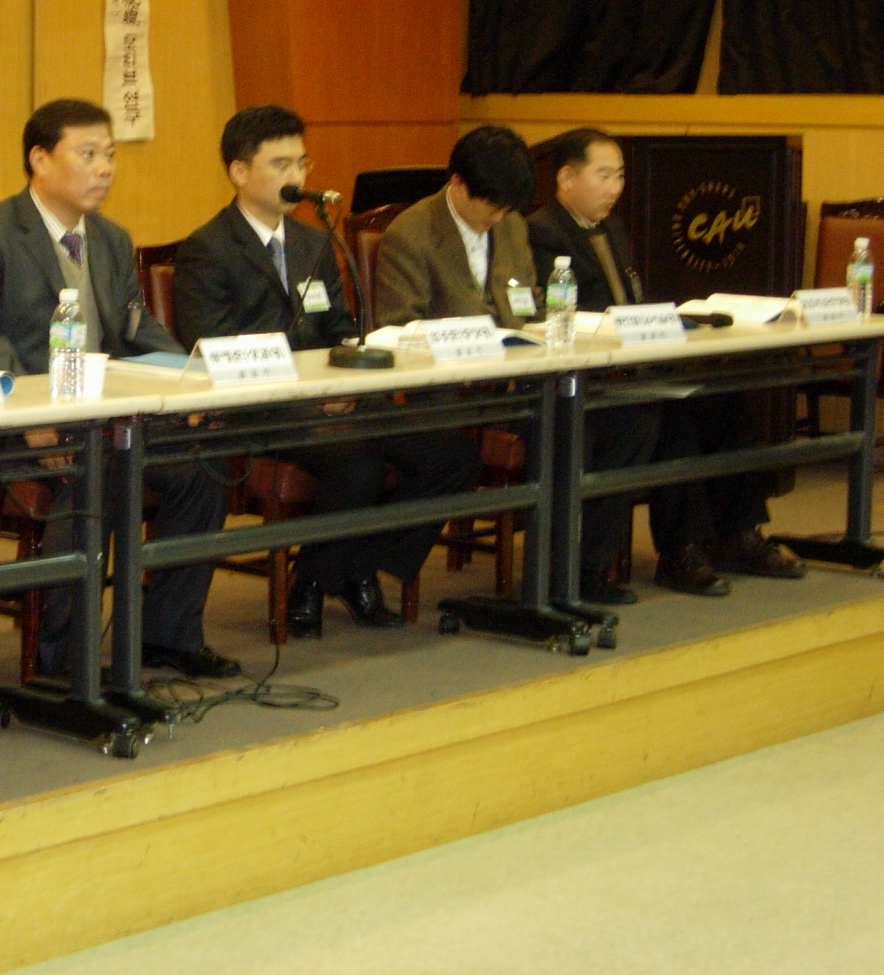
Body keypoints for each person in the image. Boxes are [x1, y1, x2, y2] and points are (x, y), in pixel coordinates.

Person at [0, 98, 237, 679]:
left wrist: (192, 379)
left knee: (205, 468)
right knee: (93, 478)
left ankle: (168, 635)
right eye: (87, 154)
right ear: (40, 159)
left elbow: (134, 325)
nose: (104, 169)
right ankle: (65, 660)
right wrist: (30, 413)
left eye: (109, 155)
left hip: (106, 419)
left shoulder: (109, 237)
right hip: (15, 423)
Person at [173, 104, 480, 635]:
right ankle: (318, 583)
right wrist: (308, 390)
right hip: (260, 409)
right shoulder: (208, 248)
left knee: (452, 455)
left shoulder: (315, 242)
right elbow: (211, 348)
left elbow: (339, 327)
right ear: (240, 172)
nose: (296, 176)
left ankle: (352, 566)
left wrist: (345, 376)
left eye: (302, 163)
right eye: (281, 164)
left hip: (333, 400)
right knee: (358, 465)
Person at [376, 125, 657, 605]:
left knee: (631, 422)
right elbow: (397, 330)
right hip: (456, 396)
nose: (496, 218)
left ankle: (583, 570)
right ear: (458, 183)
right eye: (489, 206)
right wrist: (473, 341)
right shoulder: (412, 233)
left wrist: (544, 330)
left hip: (521, 384)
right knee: (570, 432)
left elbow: (531, 307)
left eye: (506, 208)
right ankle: (551, 574)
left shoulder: (510, 225)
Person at [528, 127, 804, 596]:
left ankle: (737, 534)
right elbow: (558, 318)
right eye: (604, 176)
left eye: (620, 176)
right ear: (567, 179)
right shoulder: (542, 232)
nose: (616, 187)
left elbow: (630, 300)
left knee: (723, 401)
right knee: (670, 419)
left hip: (637, 361)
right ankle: (680, 551)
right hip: (590, 378)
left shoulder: (613, 228)